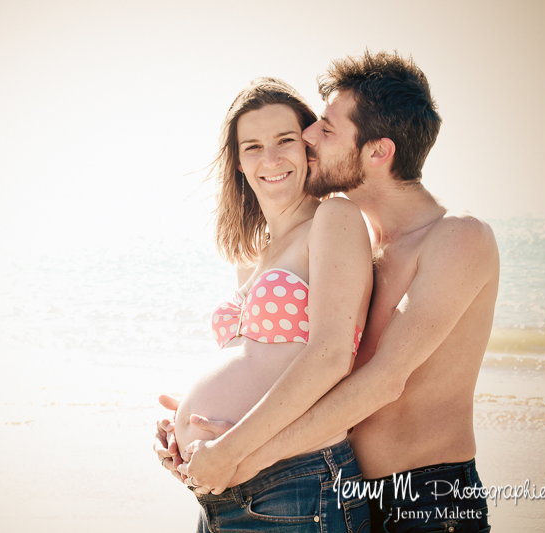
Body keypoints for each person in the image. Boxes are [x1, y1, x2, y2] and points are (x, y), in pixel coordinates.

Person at [157, 51, 498, 533]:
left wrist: (244, 456)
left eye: (328, 130)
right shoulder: (354, 243)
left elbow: (382, 381)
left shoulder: (458, 239)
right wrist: (198, 427)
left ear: (378, 152)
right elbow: (290, 361)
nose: (310, 136)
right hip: (342, 483)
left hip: (426, 499)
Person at [159, 76, 374, 532]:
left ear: (309, 147)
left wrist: (230, 447)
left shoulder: (333, 218)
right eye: (253, 146)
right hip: (226, 490)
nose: (270, 159)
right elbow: (260, 365)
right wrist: (187, 432)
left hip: (298, 482)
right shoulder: (253, 255)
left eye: (285, 141)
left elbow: (332, 355)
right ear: (238, 162)